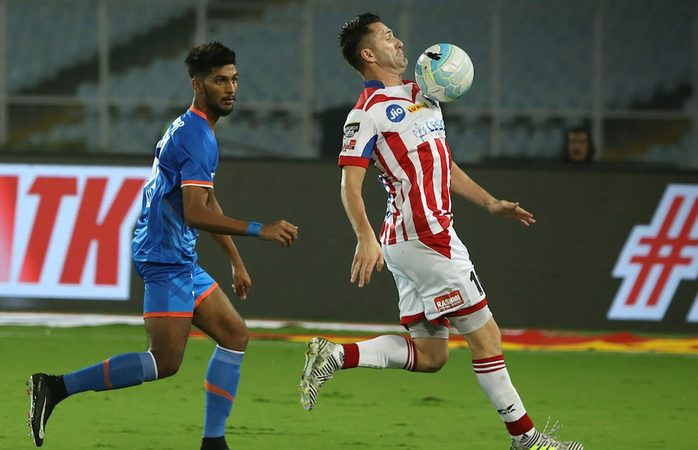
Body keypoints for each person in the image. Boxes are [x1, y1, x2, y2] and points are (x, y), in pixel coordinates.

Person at [298, 13, 583, 450]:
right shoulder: (366, 113)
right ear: (368, 54)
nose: (398, 41)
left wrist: (489, 202)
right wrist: (364, 236)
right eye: (387, 37)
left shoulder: (425, 94)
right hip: (425, 237)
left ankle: (335, 354)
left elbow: (444, 165)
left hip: (413, 240)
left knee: (431, 355)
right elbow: (348, 185)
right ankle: (527, 439)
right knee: (487, 335)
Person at [27, 42, 299, 450]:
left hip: (177, 255)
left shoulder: (193, 128)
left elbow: (207, 200)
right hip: (164, 257)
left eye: (234, 79)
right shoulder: (196, 137)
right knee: (164, 361)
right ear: (197, 84)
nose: (230, 88)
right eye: (219, 80)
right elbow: (195, 213)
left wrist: (235, 260)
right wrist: (259, 229)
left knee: (234, 335)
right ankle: (55, 387)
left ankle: (214, 442)